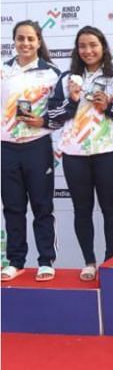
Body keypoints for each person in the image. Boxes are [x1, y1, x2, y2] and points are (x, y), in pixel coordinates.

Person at [48, 26, 113, 281]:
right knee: (82, 209)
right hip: (74, 153)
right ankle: (89, 261)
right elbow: (53, 118)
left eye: (93, 45)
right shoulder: (67, 78)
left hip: (107, 151)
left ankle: (111, 260)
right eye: (83, 46)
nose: (88, 50)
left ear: (103, 48)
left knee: (111, 208)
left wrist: (108, 106)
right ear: (77, 50)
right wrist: (73, 100)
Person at [1, 20, 60, 282]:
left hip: (37, 146)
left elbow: (61, 112)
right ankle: (15, 261)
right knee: (13, 207)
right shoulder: (3, 70)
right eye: (20, 38)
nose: (25, 43)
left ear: (39, 42)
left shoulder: (52, 73)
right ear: (13, 41)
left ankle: (46, 260)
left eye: (30, 39)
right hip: (7, 146)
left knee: (42, 206)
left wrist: (43, 122)